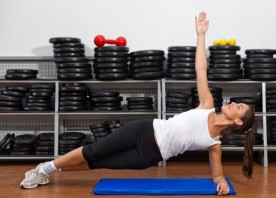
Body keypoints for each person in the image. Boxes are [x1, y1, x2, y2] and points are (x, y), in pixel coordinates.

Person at [20, 12, 255, 196]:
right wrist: (201, 35)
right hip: (143, 130)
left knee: (98, 163)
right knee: (93, 151)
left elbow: (217, 175)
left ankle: (52, 170)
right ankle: (43, 168)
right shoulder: (207, 105)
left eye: (239, 107)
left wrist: (221, 181)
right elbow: (200, 69)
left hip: (148, 156)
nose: (234, 103)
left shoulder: (215, 144)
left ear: (237, 121)